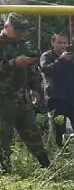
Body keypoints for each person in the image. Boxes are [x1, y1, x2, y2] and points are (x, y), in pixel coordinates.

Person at [0, 12, 51, 171]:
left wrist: (35, 88)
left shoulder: (23, 44)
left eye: (24, 31)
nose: (22, 34)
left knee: (31, 131)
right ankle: (5, 172)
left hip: (21, 97)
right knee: (3, 138)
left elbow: (31, 68)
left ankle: (46, 166)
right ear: (7, 27)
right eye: (18, 30)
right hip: (3, 99)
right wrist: (12, 63)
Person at [40, 33, 74, 151]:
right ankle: (62, 152)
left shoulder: (72, 57)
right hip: (56, 98)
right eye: (59, 42)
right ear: (53, 43)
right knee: (59, 128)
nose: (63, 45)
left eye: (65, 43)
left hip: (73, 97)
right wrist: (61, 60)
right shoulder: (47, 56)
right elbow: (46, 70)